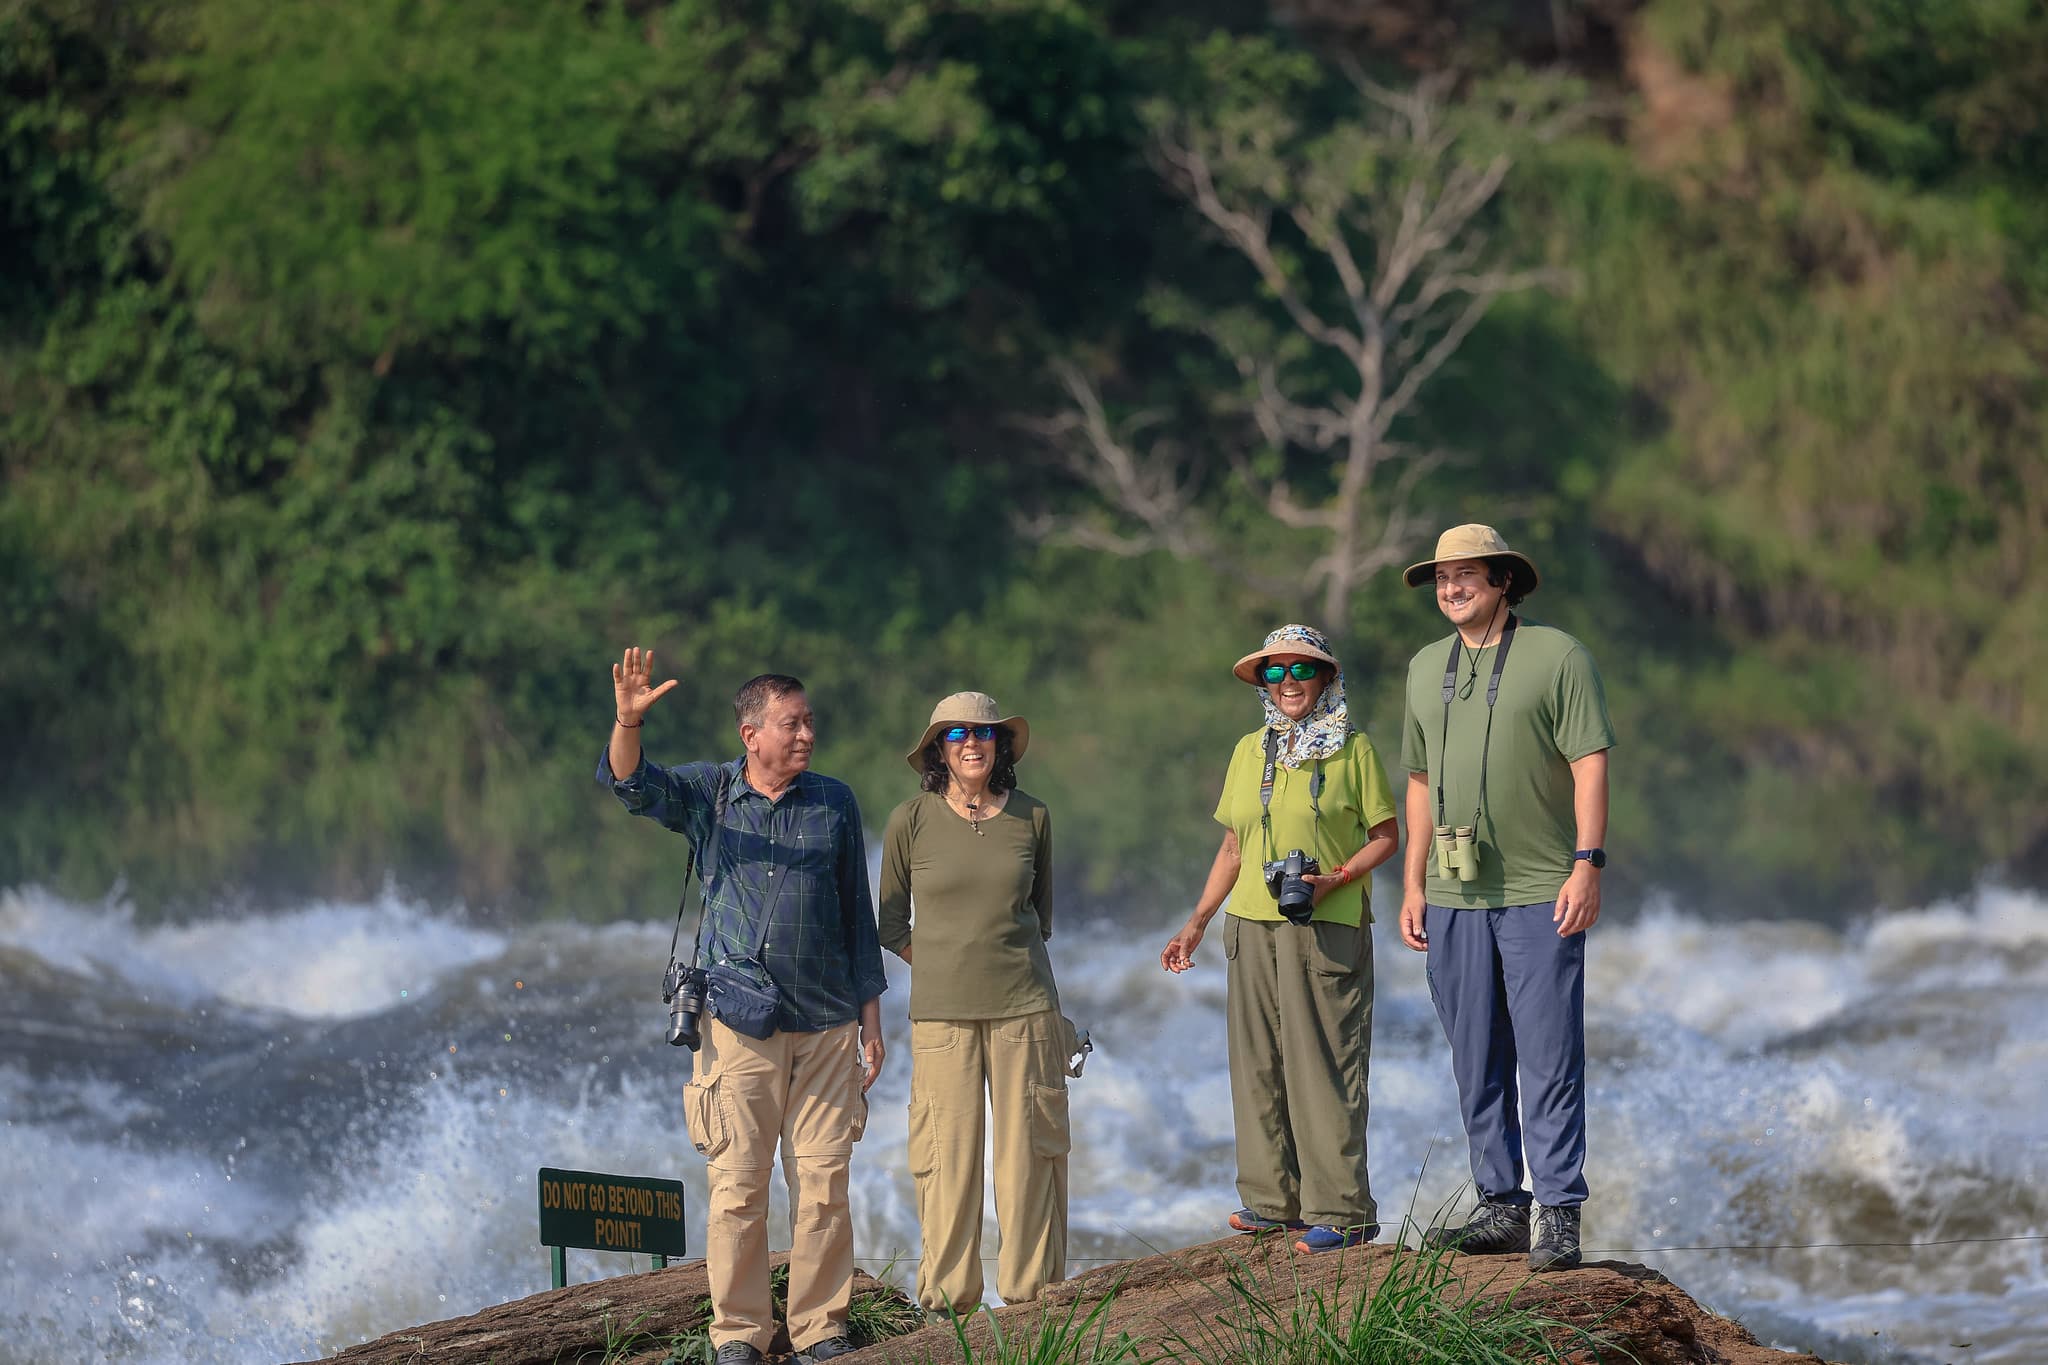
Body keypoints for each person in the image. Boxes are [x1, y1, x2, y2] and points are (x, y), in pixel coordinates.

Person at [597, 649, 887, 1365]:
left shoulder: (835, 801)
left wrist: (872, 1021)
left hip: (828, 1024)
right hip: (738, 1023)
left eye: (810, 722)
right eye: (791, 724)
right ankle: (740, 1335)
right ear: (750, 733)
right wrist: (626, 721)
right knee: (738, 1188)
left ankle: (820, 1327)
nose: (806, 734)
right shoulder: (711, 793)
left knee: (823, 1186)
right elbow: (632, 784)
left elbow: (858, 915)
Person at [1396, 524, 1615, 1273]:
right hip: (1452, 894)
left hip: (1538, 887)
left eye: (1467, 575)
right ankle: (1501, 1205)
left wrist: (1587, 862)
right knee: (1474, 1051)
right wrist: (1413, 881)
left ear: (1502, 582)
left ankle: (1559, 1211)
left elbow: (1590, 762)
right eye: (1443, 577)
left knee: (1549, 1053)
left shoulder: (1558, 656)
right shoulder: (1426, 667)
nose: (1451, 587)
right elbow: (1419, 781)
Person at [1161, 624, 1400, 1255]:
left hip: (1326, 926)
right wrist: (1198, 920)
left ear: (1326, 678)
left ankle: (1343, 1211)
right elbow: (1234, 845)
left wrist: (1337, 878)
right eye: (1275, 672)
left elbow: (1385, 834)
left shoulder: (1354, 750)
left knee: (1324, 1065)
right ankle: (1272, 1203)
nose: (1288, 682)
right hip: (1250, 925)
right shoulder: (1249, 750)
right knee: (1257, 1065)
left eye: (1301, 670)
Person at [877, 691, 1070, 1313]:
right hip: (940, 1017)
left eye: (983, 734)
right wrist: (938, 964)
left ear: (1001, 746)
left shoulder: (1034, 817)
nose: (971, 743)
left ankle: (1033, 1300)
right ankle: (947, 1303)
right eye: (956, 734)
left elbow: (1038, 917)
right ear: (938, 747)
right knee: (945, 1160)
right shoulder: (910, 819)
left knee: (1029, 1161)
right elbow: (888, 923)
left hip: (1026, 1010)